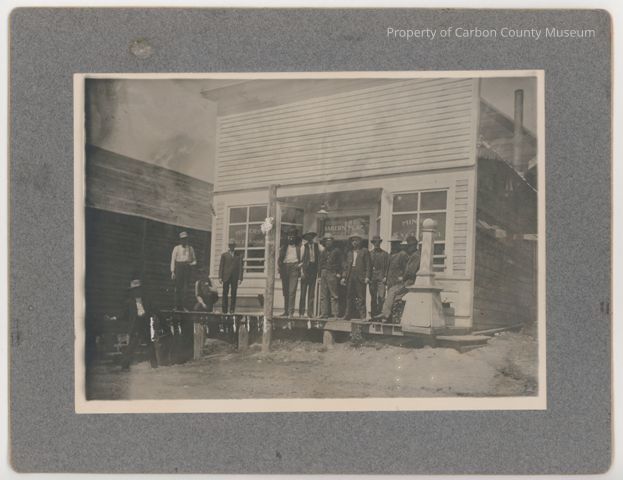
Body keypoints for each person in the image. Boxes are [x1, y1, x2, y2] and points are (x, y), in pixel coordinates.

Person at [374, 234, 420, 323]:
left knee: (393, 295)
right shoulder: (391, 254)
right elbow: (387, 267)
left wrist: (402, 277)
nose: (393, 245)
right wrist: (385, 277)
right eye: (392, 243)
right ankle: (388, 318)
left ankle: (387, 316)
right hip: (390, 280)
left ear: (399, 244)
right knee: (390, 297)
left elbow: (408, 270)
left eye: (395, 243)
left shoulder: (403, 255)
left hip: (400, 281)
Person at [121, 279, 157, 370]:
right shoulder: (129, 302)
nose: (136, 291)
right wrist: (115, 318)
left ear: (141, 290)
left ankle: (154, 365)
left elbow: (153, 310)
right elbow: (124, 315)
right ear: (132, 291)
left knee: (150, 345)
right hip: (135, 327)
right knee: (131, 346)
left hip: (145, 325)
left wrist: (152, 316)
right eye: (134, 290)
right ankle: (125, 366)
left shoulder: (147, 300)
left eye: (138, 289)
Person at [340, 235, 370, 320]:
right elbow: (346, 266)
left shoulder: (364, 251)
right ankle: (348, 314)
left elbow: (368, 265)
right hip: (350, 275)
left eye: (356, 240)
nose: (354, 242)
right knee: (349, 295)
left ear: (360, 241)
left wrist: (367, 276)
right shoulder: (349, 252)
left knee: (361, 296)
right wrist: (343, 277)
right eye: (353, 241)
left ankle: (362, 316)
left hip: (360, 275)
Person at [278, 229, 302, 317]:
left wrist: (299, 265)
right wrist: (280, 268)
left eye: (293, 236)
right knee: (286, 291)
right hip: (285, 268)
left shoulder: (299, 248)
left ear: (295, 238)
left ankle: (291, 312)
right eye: (289, 236)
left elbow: (304, 258)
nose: (291, 238)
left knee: (292, 291)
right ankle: (286, 311)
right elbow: (279, 260)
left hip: (294, 268)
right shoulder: (284, 248)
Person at [170, 231, 197, 310]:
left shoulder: (190, 248)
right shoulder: (176, 248)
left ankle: (184, 306)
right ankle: (177, 306)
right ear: (180, 240)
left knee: (186, 288)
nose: (184, 240)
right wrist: (172, 271)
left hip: (187, 268)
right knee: (178, 287)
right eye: (182, 239)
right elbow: (173, 260)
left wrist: (191, 264)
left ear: (187, 239)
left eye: (185, 239)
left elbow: (194, 260)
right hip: (179, 267)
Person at [319, 233, 342, 318]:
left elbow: (340, 263)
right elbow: (320, 264)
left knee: (334, 294)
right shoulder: (323, 252)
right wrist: (319, 275)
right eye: (326, 241)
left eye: (329, 240)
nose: (328, 242)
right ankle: (324, 313)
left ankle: (335, 313)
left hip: (332, 272)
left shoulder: (336, 251)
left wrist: (339, 273)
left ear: (332, 241)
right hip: (323, 273)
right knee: (323, 295)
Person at [299, 231, 320, 317]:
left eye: (311, 237)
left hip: (313, 270)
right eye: (308, 237)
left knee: (311, 293)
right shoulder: (303, 247)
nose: (309, 238)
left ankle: (310, 312)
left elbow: (323, 251)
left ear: (313, 237)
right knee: (303, 293)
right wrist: (301, 271)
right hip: (305, 270)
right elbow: (300, 260)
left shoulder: (317, 246)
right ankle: (301, 312)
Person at [219, 240, 243, 314]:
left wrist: (240, 278)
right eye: (230, 245)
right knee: (225, 293)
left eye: (233, 245)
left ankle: (232, 310)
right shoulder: (224, 255)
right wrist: (220, 277)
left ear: (235, 246)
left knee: (233, 294)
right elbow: (221, 266)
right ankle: (224, 310)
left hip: (234, 277)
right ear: (228, 246)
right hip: (226, 276)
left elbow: (240, 267)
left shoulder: (238, 255)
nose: (231, 246)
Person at [368, 235, 390, 318]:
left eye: (378, 242)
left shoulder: (385, 254)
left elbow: (387, 267)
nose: (376, 244)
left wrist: (385, 276)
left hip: (381, 278)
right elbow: (367, 267)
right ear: (373, 243)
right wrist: (368, 277)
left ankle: (380, 314)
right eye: (375, 242)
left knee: (381, 297)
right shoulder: (369, 254)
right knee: (373, 297)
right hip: (372, 278)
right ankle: (374, 315)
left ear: (380, 243)